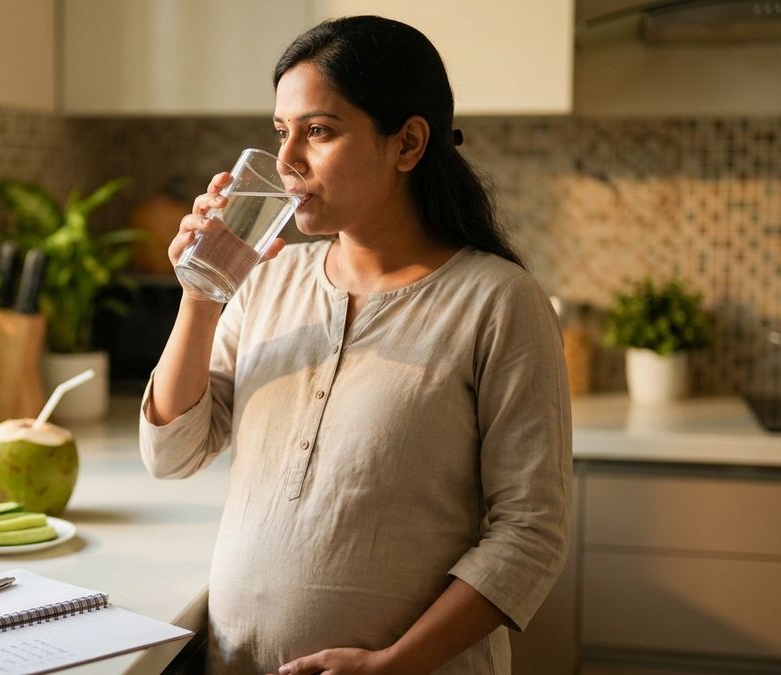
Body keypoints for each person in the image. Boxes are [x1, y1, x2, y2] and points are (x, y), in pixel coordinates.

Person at [140, 15, 571, 675]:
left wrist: (393, 662)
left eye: (319, 131)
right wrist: (202, 292)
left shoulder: (498, 301)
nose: (286, 162)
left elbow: (530, 533)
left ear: (407, 143)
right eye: (281, 132)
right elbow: (172, 453)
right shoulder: (264, 281)